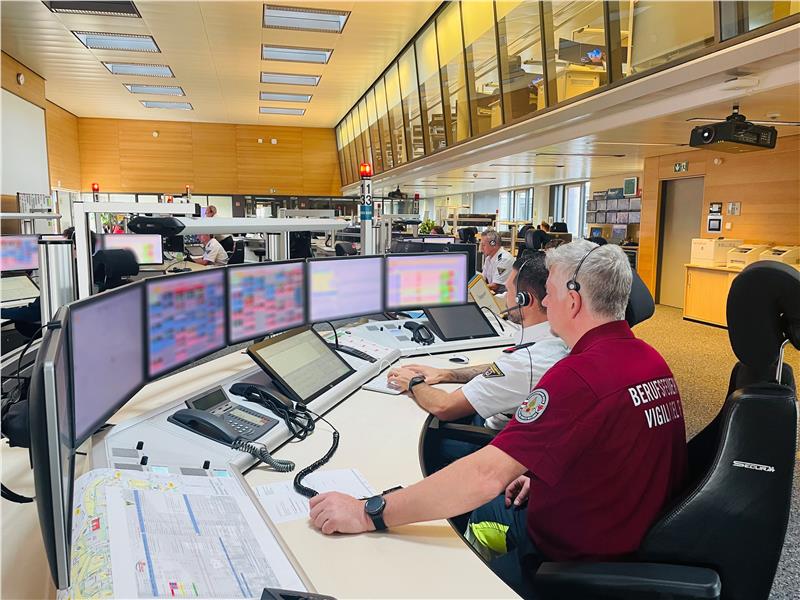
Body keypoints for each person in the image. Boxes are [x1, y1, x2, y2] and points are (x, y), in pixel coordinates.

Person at [307, 240, 687, 598]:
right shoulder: (649, 359)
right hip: (625, 533)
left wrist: (367, 512)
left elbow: (484, 476)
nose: (544, 303)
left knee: (430, 567)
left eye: (549, 294)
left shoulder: (579, 376)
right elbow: (614, 449)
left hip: (567, 559)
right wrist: (538, 470)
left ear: (573, 302)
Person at [386, 252, 569, 464]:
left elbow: (444, 407)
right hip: (504, 425)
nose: (505, 297)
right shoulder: (556, 338)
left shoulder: (527, 361)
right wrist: (447, 374)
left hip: (489, 444)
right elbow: (502, 371)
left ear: (524, 299)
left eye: (508, 291)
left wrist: (413, 382)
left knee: (411, 440)